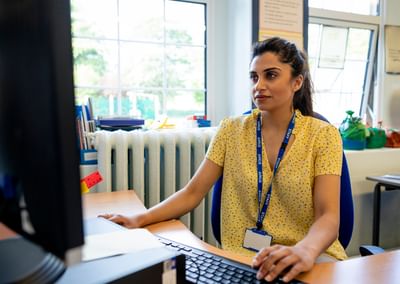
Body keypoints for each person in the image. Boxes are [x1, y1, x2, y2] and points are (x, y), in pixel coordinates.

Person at [100, 37, 347, 282]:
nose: (258, 85)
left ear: (297, 82)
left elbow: (328, 216)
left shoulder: (323, 135)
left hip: (306, 258)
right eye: (254, 77)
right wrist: (140, 218)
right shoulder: (231, 129)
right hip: (244, 259)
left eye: (270, 75)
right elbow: (192, 192)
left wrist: (304, 250)